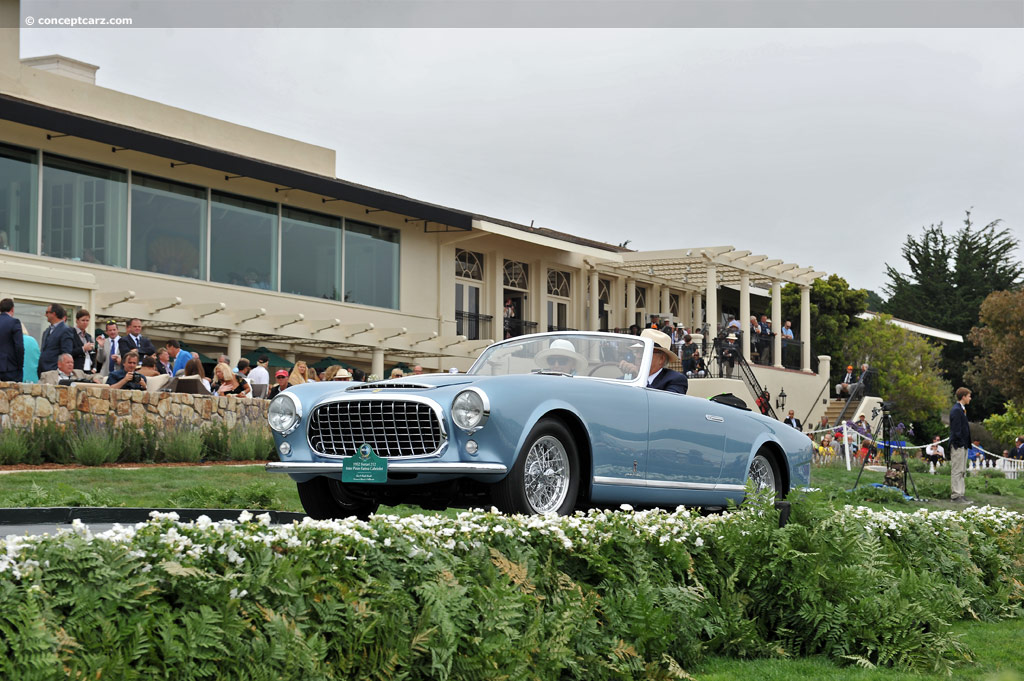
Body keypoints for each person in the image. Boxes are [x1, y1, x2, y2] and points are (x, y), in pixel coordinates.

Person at [621, 328, 688, 394]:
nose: (638, 356)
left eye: (644, 352)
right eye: (637, 351)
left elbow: (666, 403)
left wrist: (640, 380)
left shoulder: (676, 380)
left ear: (661, 359)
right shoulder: (628, 377)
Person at [949, 387, 972, 504]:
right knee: (957, 470)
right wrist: (960, 443)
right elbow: (956, 430)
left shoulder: (962, 410)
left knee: (962, 470)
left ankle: (961, 494)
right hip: (958, 445)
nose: (970, 398)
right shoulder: (956, 410)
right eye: (969, 396)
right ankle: (956, 495)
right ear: (963, 396)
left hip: (963, 445)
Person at [38, 302, 74, 376]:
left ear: (54, 313)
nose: (45, 315)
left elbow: (66, 353)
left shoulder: (65, 330)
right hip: (43, 372)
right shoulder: (47, 331)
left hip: (55, 373)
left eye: (47, 312)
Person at [0, 298, 24, 382]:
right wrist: (20, 365)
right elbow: (19, 346)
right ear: (12, 309)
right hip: (10, 368)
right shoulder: (14, 322)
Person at [69, 308, 96, 373]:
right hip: (75, 370)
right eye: (83, 320)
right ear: (77, 320)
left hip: (88, 370)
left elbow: (92, 354)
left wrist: (94, 367)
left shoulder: (88, 336)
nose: (85, 323)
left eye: (87, 320)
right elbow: (68, 352)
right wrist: (83, 349)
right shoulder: (70, 333)